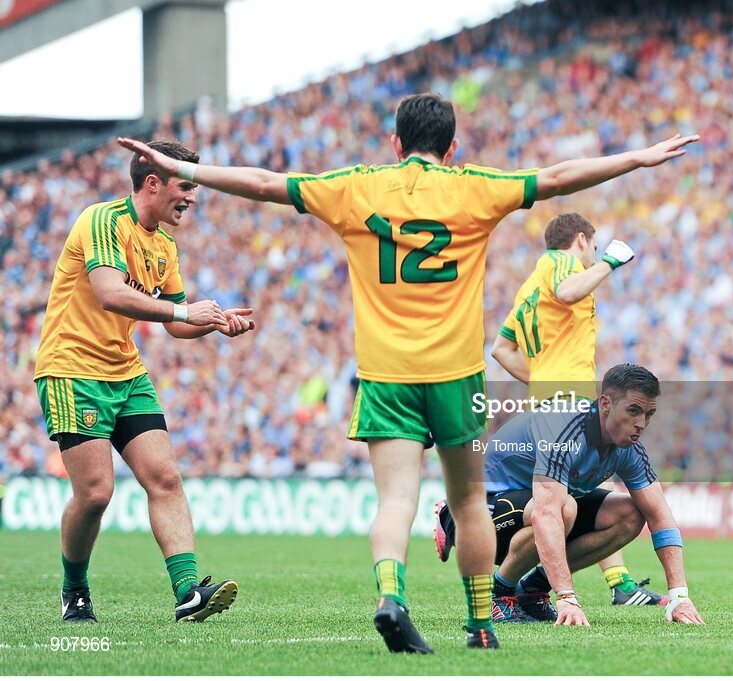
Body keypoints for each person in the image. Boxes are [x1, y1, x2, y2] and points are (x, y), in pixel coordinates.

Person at [117, 93, 699, 653]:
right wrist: (636, 158)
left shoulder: (356, 186)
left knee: (395, 499)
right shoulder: (475, 187)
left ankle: (392, 594)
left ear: (395, 142)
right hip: (456, 377)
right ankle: (479, 623)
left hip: (386, 375)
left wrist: (176, 166)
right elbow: (555, 178)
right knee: (469, 501)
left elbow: (266, 184)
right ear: (452, 147)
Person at [34, 139, 255, 624]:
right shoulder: (102, 219)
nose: (192, 196)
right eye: (185, 185)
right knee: (95, 493)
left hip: (126, 372)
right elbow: (111, 293)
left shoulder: (164, 245)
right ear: (152, 183)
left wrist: (214, 321)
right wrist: (183, 310)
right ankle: (74, 590)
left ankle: (188, 592)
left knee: (166, 477)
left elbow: (177, 325)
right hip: (73, 369)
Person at [487, 212, 666, 608]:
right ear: (582, 240)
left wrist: (539, 382)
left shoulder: (529, 289)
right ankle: (529, 588)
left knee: (584, 490)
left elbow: (501, 348)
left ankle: (615, 582)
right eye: (593, 248)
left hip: (548, 402)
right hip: (567, 404)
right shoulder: (560, 261)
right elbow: (569, 292)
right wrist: (609, 263)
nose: (592, 257)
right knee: (566, 501)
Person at [436, 364, 704, 626]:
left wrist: (679, 596)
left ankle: (533, 589)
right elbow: (546, 513)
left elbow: (660, 516)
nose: (641, 423)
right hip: (477, 517)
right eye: (633, 411)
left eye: (649, 414)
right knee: (563, 507)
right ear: (605, 404)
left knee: (631, 513)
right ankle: (499, 593)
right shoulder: (563, 429)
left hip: (535, 515)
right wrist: (566, 597)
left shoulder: (629, 448)